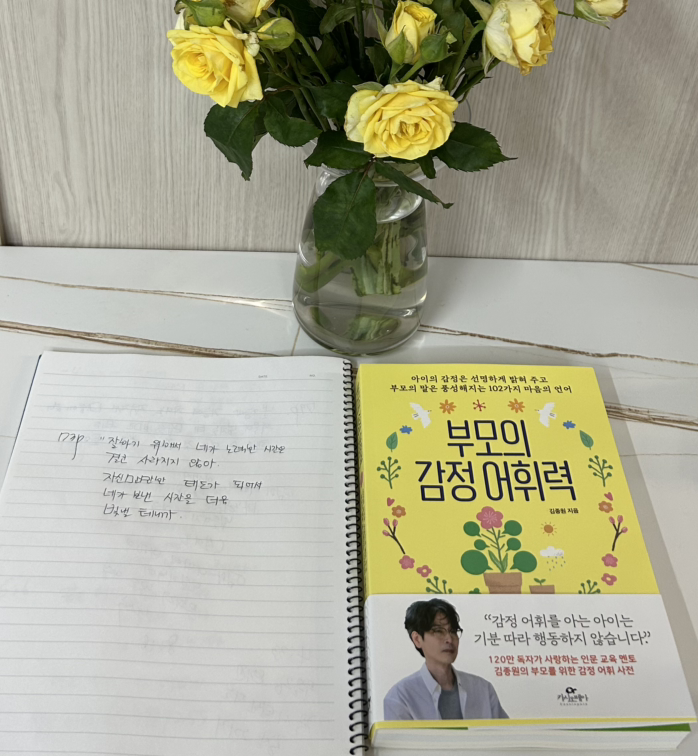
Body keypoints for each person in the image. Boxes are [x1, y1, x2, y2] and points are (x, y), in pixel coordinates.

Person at [383, 598, 508, 721]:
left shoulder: (483, 689)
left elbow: (507, 733)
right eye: (438, 631)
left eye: (453, 631)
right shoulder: (400, 697)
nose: (449, 639)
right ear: (417, 639)